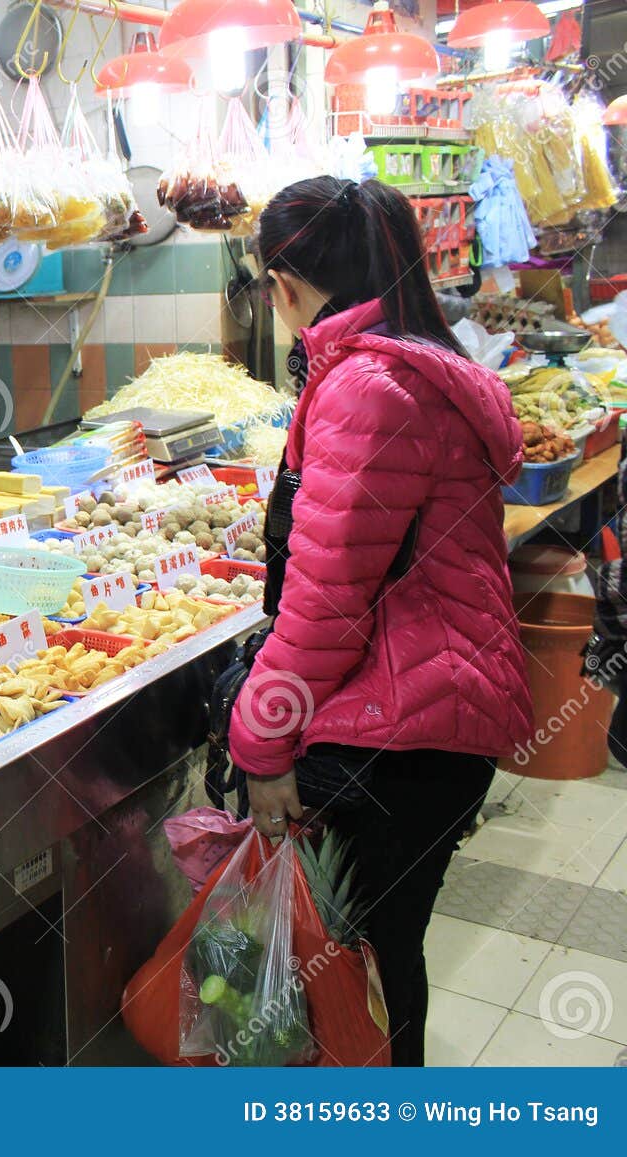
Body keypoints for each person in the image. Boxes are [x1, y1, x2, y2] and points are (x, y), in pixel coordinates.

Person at [227, 176, 534, 1066]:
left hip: (398, 740)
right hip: (435, 721)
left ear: (283, 283)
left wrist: (261, 743)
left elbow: (324, 610)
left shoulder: (368, 389)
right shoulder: (413, 364)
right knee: (382, 961)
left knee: (359, 977)